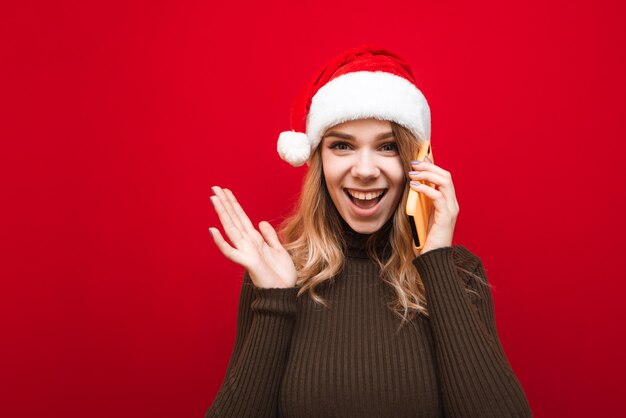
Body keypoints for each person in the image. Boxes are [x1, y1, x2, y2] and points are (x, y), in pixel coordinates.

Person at [205, 45, 532, 417]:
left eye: (387, 146)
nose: (364, 169)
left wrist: (436, 260)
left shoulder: (458, 272)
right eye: (342, 145)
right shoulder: (275, 272)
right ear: (317, 160)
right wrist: (275, 303)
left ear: (418, 161)